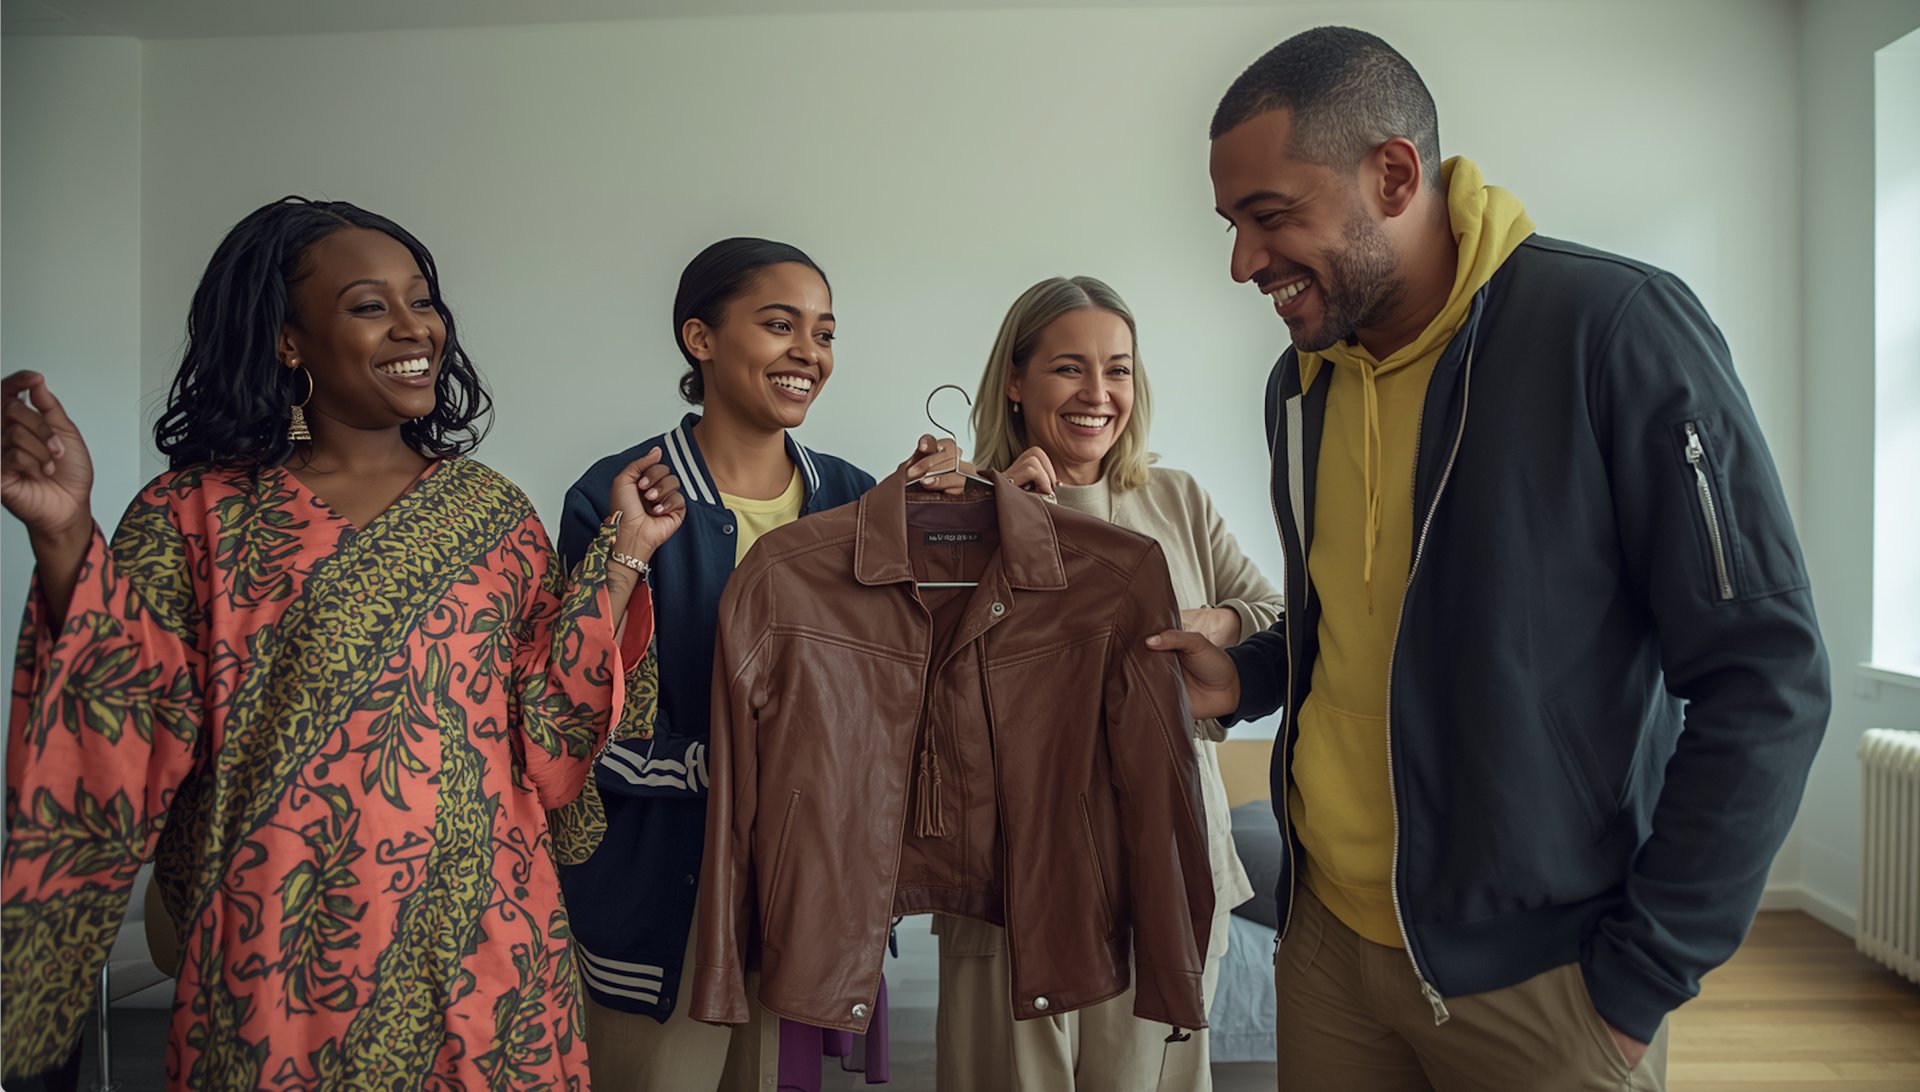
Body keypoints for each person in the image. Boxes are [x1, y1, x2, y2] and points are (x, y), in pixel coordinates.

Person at [1146, 27, 1831, 1092]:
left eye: (1270, 215)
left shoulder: (1614, 330)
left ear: (1394, 174)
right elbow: (1362, 622)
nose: (1242, 261)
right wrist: (1252, 676)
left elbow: (1767, 679)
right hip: (1327, 952)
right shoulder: (1301, 384)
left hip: (1545, 985)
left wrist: (1642, 979)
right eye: (1233, 223)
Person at [0, 197, 684, 1090]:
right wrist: (63, 536)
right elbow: (124, 709)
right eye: (370, 305)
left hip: (486, 947)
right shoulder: (195, 515)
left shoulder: (492, 512)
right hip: (280, 947)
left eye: (423, 300)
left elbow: (552, 735)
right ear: (288, 341)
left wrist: (627, 553)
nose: (416, 329)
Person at [916, 274, 1282, 1091]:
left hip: (1170, 863)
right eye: (1069, 368)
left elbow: (1270, 611)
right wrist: (992, 533)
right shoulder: (958, 510)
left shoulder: (1175, 497)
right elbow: (925, 693)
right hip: (1010, 879)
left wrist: (1202, 622)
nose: (1098, 393)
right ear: (1015, 380)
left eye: (1117, 368)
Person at [557, 238, 880, 1091]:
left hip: (804, 882)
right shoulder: (620, 495)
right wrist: (738, 771)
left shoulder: (856, 499)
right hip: (664, 882)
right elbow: (581, 706)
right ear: (699, 338)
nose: (809, 352)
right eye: (780, 325)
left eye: (825, 331)